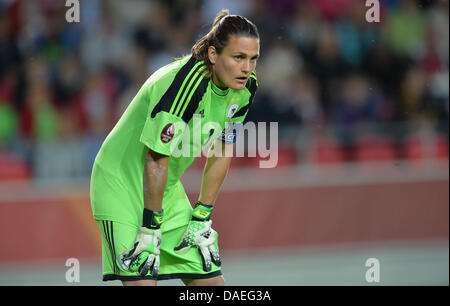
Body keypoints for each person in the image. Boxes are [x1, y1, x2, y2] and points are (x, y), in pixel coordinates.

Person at [90, 9, 260, 286]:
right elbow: (156, 158)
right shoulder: (185, 84)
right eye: (238, 57)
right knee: (144, 283)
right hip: (120, 183)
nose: (246, 68)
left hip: (163, 189)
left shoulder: (246, 89)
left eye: (253, 59)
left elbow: (222, 150)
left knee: (212, 285)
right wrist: (150, 227)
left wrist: (202, 215)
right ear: (214, 55)